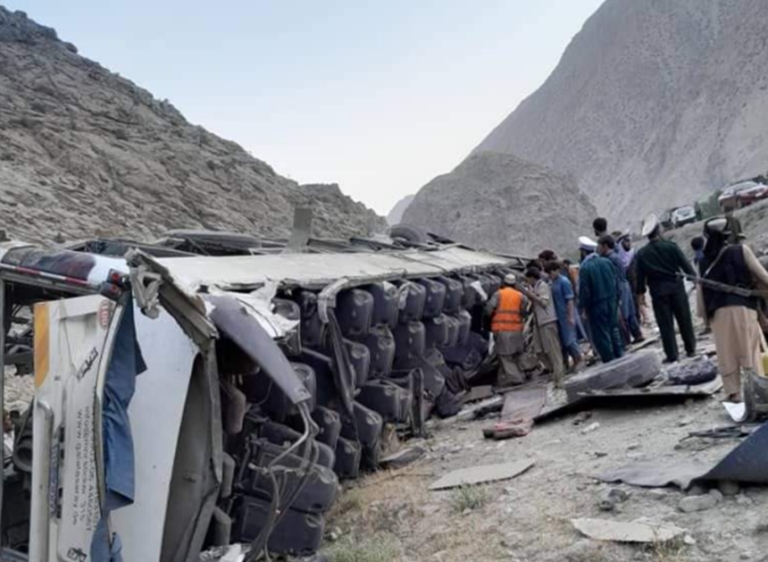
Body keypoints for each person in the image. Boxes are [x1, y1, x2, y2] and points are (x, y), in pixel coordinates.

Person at [700, 217, 768, 402]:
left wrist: (705, 319)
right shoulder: (742, 250)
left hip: (718, 313)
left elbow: (701, 293)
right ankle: (757, 392)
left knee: (726, 354)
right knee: (750, 351)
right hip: (744, 309)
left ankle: (734, 393)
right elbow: (763, 276)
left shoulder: (703, 261)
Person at [635, 214, 697, 363]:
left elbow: (640, 278)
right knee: (684, 319)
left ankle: (672, 354)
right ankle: (690, 349)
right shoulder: (671, 246)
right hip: (676, 288)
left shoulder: (642, 254)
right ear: (658, 230)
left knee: (665, 324)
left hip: (658, 292)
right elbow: (687, 267)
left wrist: (640, 294)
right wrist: (693, 279)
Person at [578, 237, 624, 363]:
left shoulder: (585, 268)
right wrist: (617, 299)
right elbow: (617, 282)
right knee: (614, 329)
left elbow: (585, 292)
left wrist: (584, 307)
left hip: (596, 305)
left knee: (601, 334)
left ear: (583, 252)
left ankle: (609, 360)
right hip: (611, 301)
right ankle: (620, 355)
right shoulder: (607, 262)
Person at [519, 267, 566, 386]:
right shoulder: (534, 287)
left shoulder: (543, 286)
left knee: (553, 350)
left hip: (547, 321)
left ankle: (559, 376)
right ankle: (551, 371)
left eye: (527, 279)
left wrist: (529, 294)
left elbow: (544, 302)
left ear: (532, 278)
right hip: (538, 322)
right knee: (539, 350)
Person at [598, 235, 644, 344]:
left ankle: (626, 340)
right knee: (630, 312)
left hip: (619, 287)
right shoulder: (615, 256)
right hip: (624, 285)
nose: (598, 249)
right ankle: (637, 334)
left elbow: (612, 277)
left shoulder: (609, 259)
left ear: (605, 246)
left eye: (600, 246)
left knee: (622, 314)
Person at [485, 273, 528, 387]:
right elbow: (524, 312)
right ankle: (506, 379)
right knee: (515, 355)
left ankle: (516, 378)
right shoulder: (520, 296)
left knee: (504, 356)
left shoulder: (498, 294)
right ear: (514, 284)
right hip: (517, 329)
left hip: (502, 329)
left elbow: (488, 309)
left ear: (504, 283)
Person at [545, 260, 583, 372]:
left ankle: (579, 358)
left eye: (551, 272)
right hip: (559, 315)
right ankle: (574, 360)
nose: (550, 275)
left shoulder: (564, 282)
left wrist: (571, 316)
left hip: (566, 314)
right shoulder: (553, 282)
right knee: (565, 340)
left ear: (556, 270)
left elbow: (569, 300)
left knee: (570, 339)